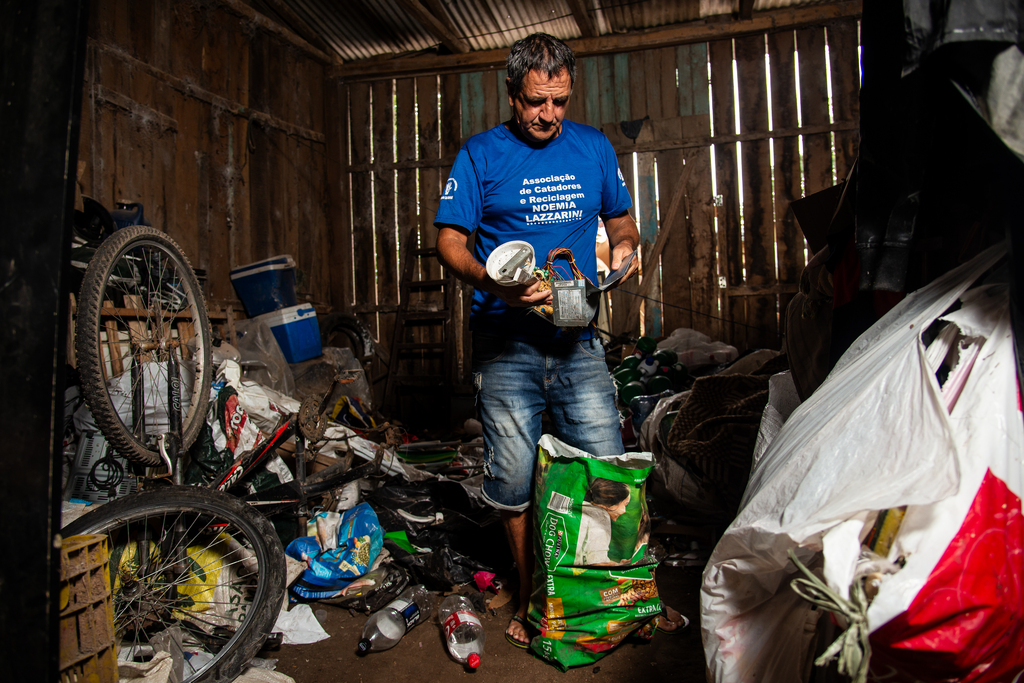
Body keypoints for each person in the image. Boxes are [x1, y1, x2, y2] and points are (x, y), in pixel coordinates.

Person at [433, 32, 686, 648]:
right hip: (505, 343)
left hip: (578, 342)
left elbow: (621, 220)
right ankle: (530, 598)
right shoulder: (478, 155)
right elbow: (449, 241)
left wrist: (624, 249)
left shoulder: (593, 148)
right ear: (512, 93)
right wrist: (493, 279)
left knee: (609, 468)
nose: (548, 115)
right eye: (535, 102)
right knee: (515, 481)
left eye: (560, 102)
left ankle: (628, 597)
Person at [576, 478, 631, 565]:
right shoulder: (600, 516)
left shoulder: (580, 506)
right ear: (610, 505)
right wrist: (622, 567)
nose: (624, 511)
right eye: (625, 504)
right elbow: (597, 563)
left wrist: (616, 564)